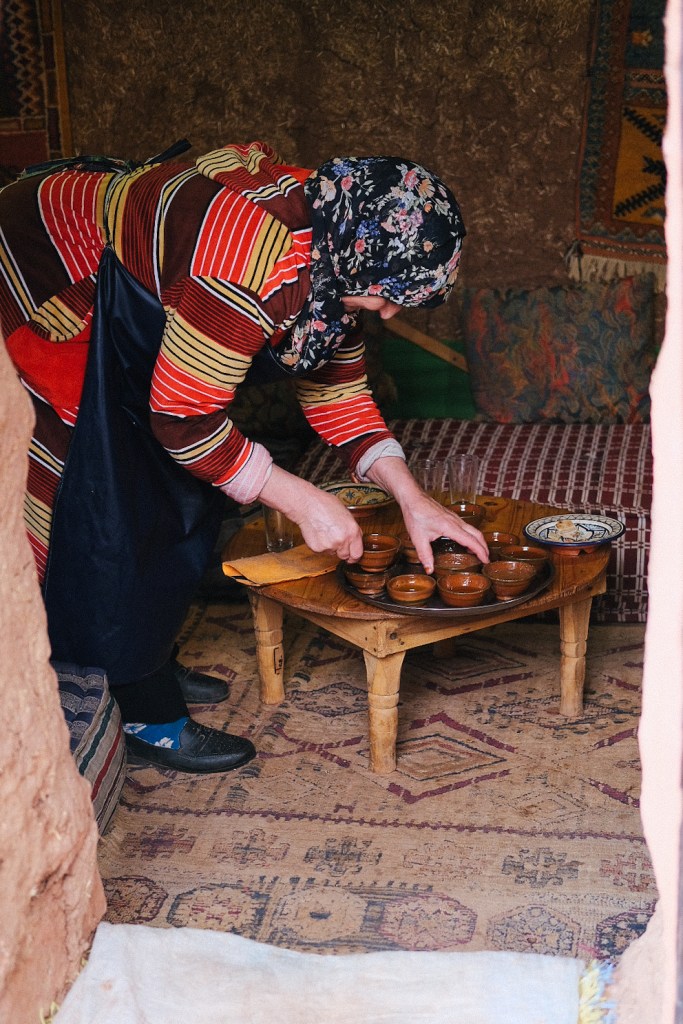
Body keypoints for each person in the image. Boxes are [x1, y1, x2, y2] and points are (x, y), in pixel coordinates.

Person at [0, 139, 488, 774]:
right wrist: (303, 500)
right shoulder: (248, 261)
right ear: (362, 251)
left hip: (143, 296)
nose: (392, 311)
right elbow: (183, 423)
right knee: (101, 499)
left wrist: (412, 499)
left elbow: (339, 395)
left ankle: (140, 660)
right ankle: (140, 708)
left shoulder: (339, 248)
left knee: (184, 488)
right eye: (390, 292)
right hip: (54, 280)